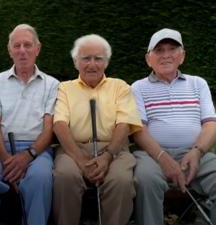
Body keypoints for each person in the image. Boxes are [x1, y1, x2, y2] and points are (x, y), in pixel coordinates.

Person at [0, 24, 59, 225]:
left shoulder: (51, 84)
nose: (22, 51)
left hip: (38, 151)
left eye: (27, 45)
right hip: (1, 150)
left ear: (38, 48)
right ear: (10, 51)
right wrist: (8, 161)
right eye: (17, 46)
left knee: (41, 179)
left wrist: (27, 156)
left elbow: (49, 128)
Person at [52, 34, 142, 225]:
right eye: (86, 58)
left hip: (114, 150)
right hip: (73, 149)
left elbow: (123, 124)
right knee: (65, 176)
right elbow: (59, 124)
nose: (92, 64)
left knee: (121, 180)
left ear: (106, 62)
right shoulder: (65, 88)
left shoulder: (120, 87)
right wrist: (81, 159)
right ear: (76, 62)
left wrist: (108, 156)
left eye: (98, 58)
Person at [132, 28, 216, 225]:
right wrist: (163, 158)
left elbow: (211, 124)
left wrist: (197, 151)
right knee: (146, 179)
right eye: (159, 50)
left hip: (196, 152)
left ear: (182, 56)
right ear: (148, 59)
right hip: (152, 155)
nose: (166, 55)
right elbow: (138, 130)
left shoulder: (198, 84)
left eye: (172, 49)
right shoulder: (137, 87)